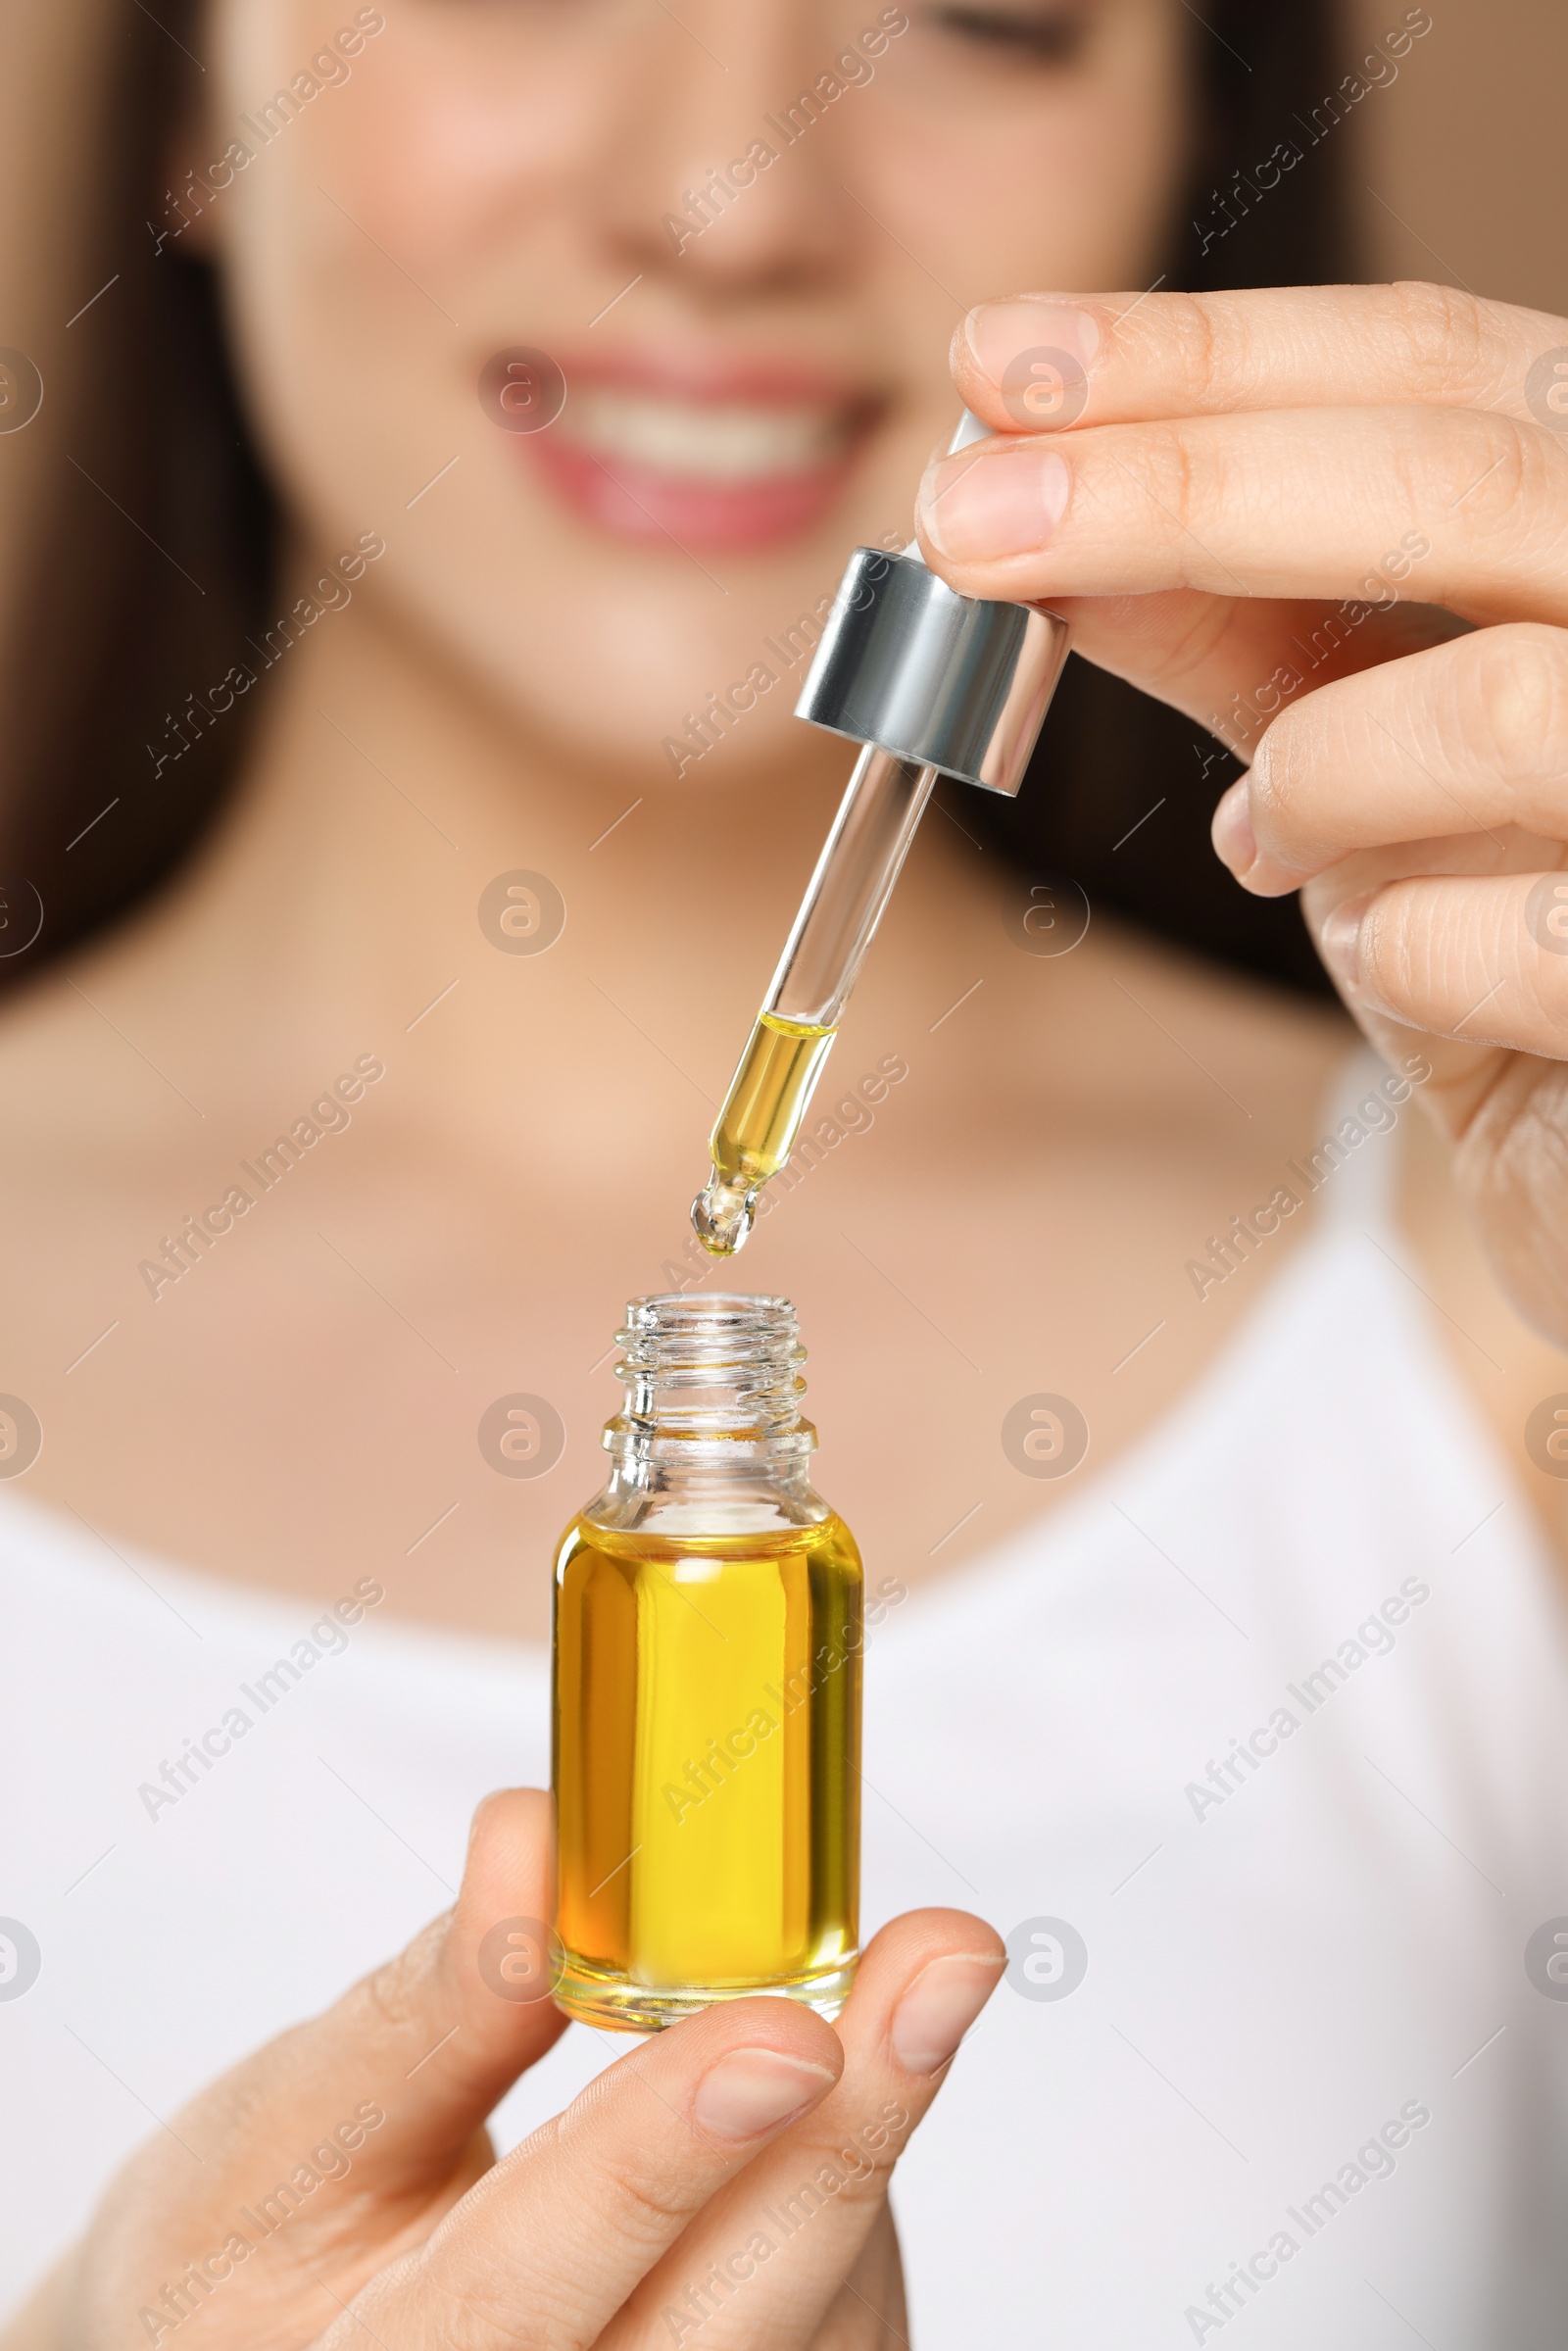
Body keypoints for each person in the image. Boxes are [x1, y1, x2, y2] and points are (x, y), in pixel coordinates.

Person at [4, 0, 1568, 2341]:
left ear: (1183, 161)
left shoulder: (1488, 1284)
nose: (732, 205)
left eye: (982, 13)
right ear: (189, 104)